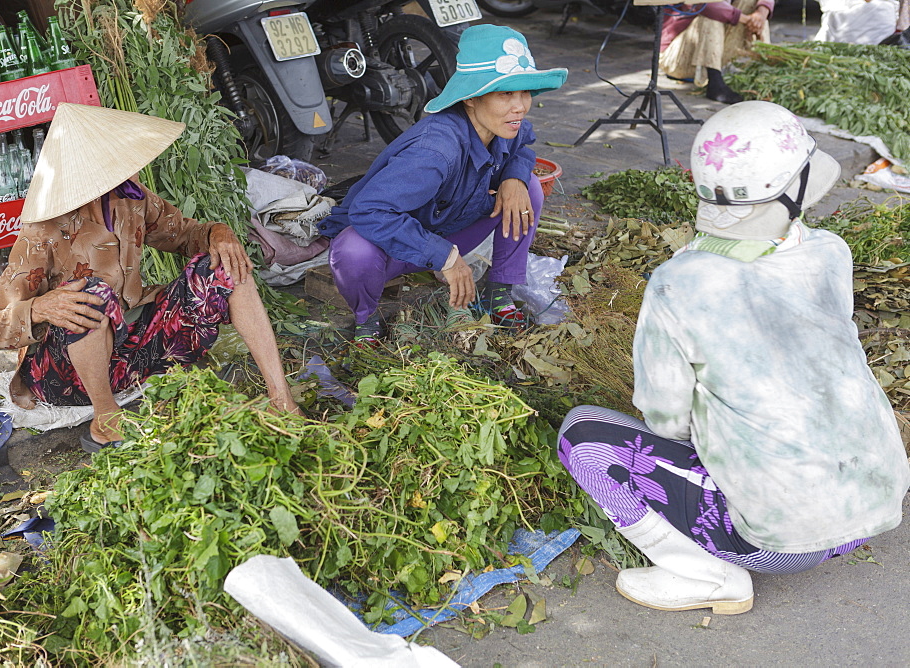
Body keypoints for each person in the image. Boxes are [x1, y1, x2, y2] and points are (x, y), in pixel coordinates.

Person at [556, 101, 910, 615]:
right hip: (877, 501)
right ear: (795, 191)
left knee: (582, 436)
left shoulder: (680, 282)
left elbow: (667, 418)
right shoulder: (831, 251)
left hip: (779, 544)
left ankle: (710, 576)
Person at [0, 103, 301, 453]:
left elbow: (187, 234)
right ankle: (105, 419)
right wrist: (40, 307)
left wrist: (219, 232)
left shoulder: (131, 201)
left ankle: (281, 397)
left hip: (132, 356)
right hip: (65, 376)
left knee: (225, 266)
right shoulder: (42, 231)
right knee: (89, 295)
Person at [317, 24, 567, 346]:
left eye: (524, 92)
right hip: (391, 247)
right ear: (471, 100)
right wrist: (446, 257)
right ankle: (367, 317)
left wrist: (514, 176)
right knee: (353, 249)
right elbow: (370, 210)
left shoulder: (505, 122)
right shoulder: (437, 150)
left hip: (446, 227)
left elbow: (523, 147)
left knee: (528, 188)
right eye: (506, 93)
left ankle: (498, 293)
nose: (519, 105)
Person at [659, 0, 774, 104]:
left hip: (712, 51)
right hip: (675, 59)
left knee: (755, 7)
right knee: (709, 13)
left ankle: (765, 79)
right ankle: (715, 84)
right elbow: (704, 5)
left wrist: (760, 15)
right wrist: (746, 19)